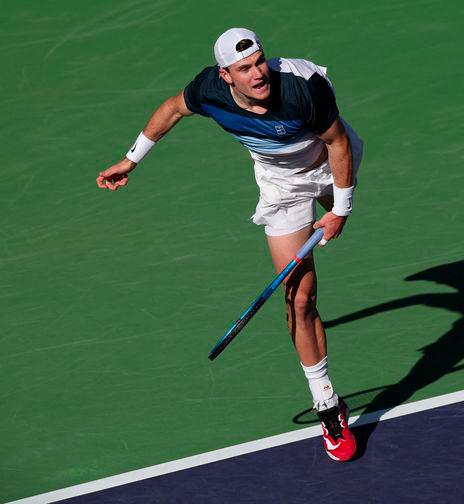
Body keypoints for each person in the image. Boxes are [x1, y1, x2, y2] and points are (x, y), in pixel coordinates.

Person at [96, 27, 362, 462]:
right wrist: (131, 159)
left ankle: (336, 203)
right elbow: (170, 109)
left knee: (336, 195)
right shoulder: (208, 91)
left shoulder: (302, 89)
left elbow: (339, 143)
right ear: (226, 76)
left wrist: (341, 209)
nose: (258, 73)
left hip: (329, 162)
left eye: (260, 61)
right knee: (298, 297)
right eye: (245, 68)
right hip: (282, 186)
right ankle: (328, 404)